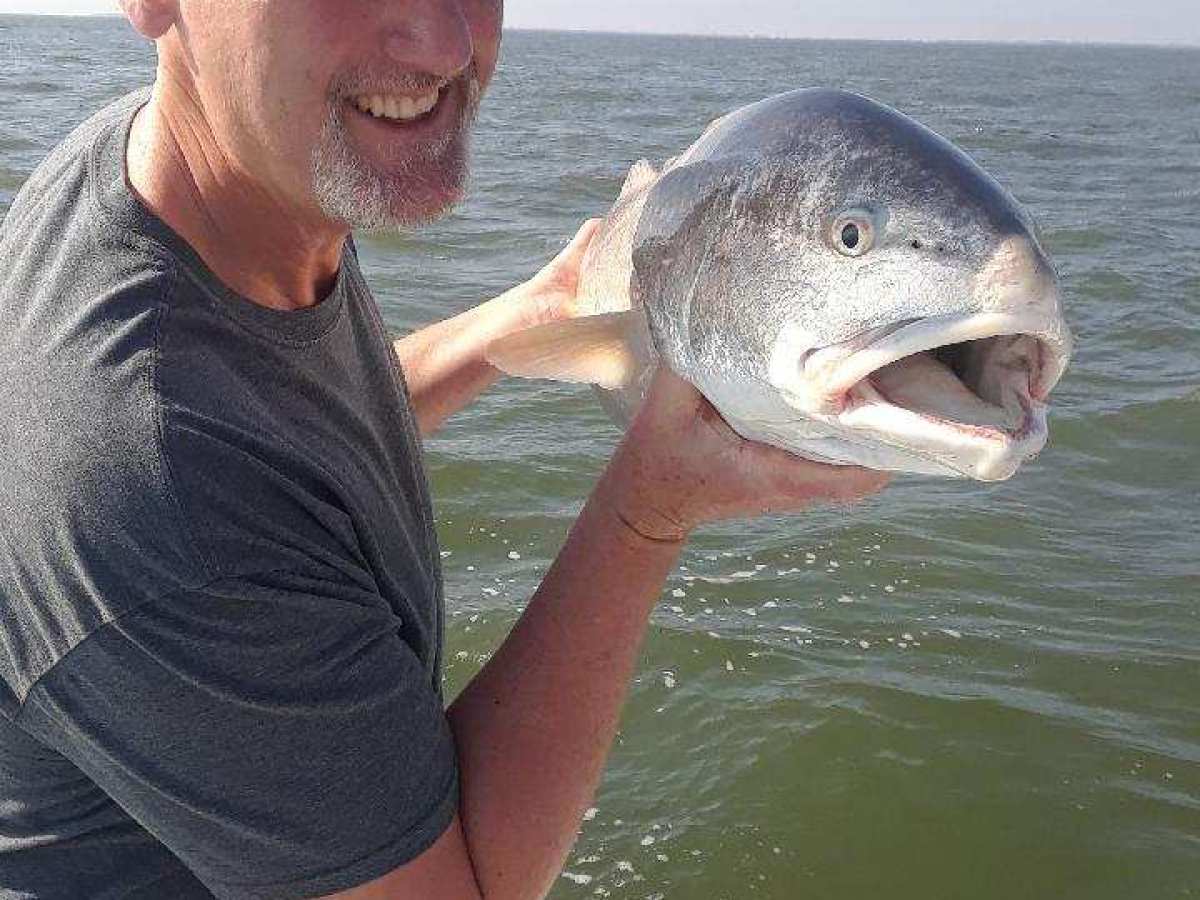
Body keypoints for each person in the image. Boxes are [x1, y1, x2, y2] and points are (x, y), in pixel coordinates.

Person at [0, 2, 888, 898]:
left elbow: (278, 435)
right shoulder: (154, 497)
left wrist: (531, 313)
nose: (446, 45)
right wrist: (647, 514)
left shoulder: (193, 181)